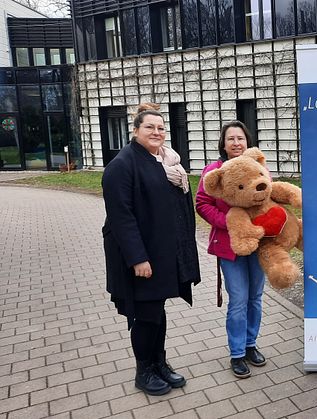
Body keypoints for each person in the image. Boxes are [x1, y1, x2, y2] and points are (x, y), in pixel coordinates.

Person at [102, 103, 201, 396]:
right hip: (141, 256)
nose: (156, 132)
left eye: (161, 128)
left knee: (157, 309)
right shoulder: (123, 165)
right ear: (135, 131)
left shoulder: (165, 162)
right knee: (146, 313)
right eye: (150, 127)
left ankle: (159, 362)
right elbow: (122, 217)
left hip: (163, 251)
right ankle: (143, 370)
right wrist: (138, 259)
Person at [196, 121, 268, 379]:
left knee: (255, 297)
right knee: (238, 299)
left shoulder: (259, 167)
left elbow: (268, 198)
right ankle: (237, 353)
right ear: (223, 144)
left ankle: (251, 345)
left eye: (240, 138)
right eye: (231, 139)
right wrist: (227, 222)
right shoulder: (213, 171)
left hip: (258, 244)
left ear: (247, 142)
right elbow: (202, 203)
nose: (236, 143)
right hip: (229, 246)